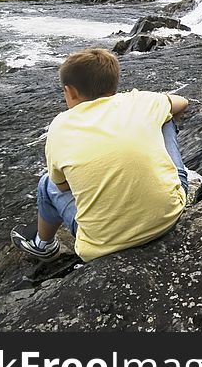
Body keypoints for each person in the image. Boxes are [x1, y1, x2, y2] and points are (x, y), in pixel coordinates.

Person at [10, 47, 190, 262]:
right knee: (165, 116)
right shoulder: (141, 101)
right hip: (169, 216)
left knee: (46, 184)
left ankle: (43, 245)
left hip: (102, 243)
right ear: (114, 83)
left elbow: (62, 187)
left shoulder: (59, 126)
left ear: (70, 91)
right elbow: (182, 102)